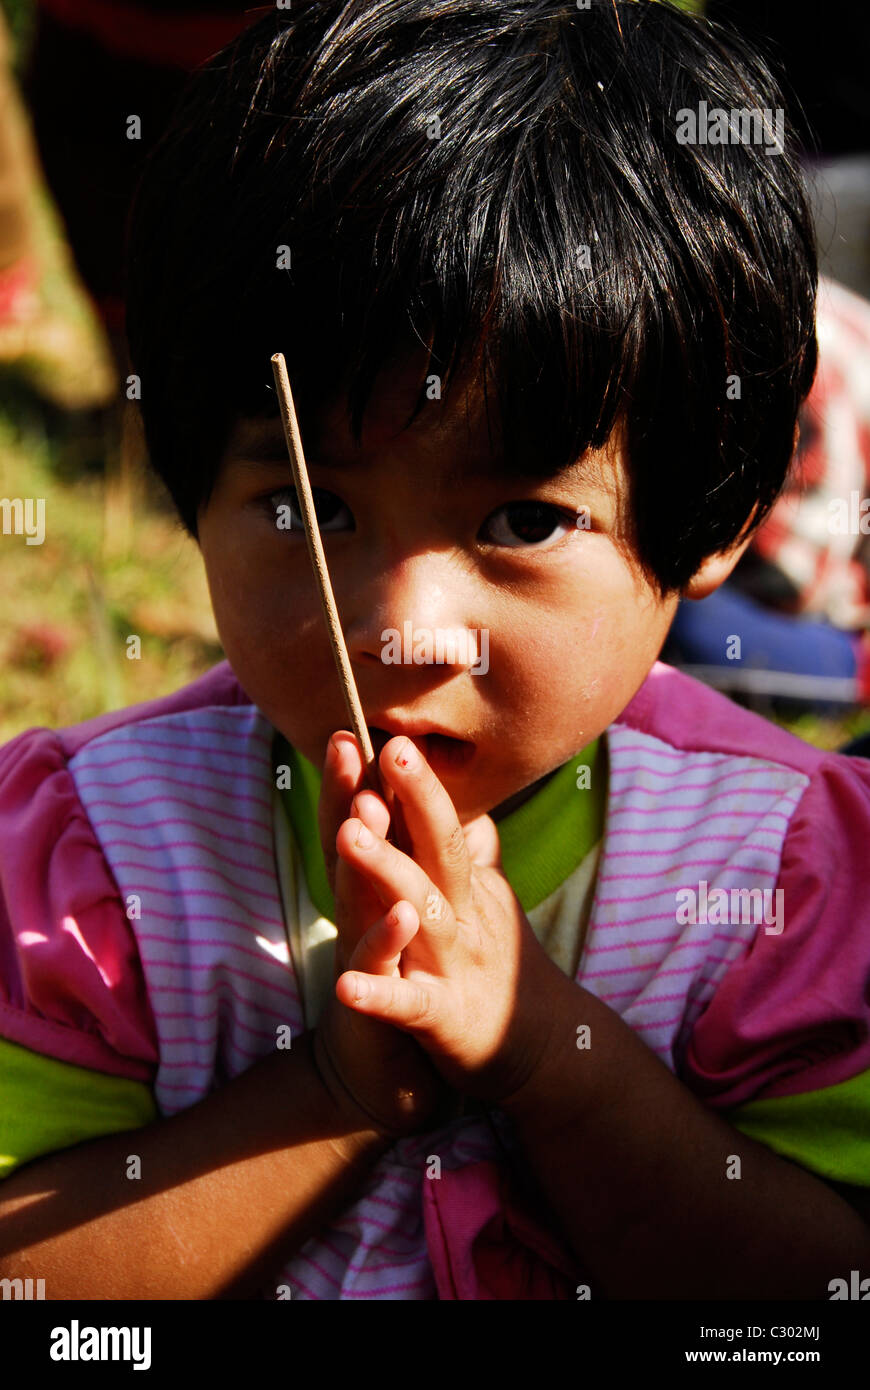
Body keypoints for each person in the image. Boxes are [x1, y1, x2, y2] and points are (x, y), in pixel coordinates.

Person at [0, 0, 868, 1301]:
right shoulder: (99, 867)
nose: (400, 628)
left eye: (522, 520)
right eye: (310, 505)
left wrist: (545, 1048)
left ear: (715, 516)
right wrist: (338, 1087)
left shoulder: (780, 882)